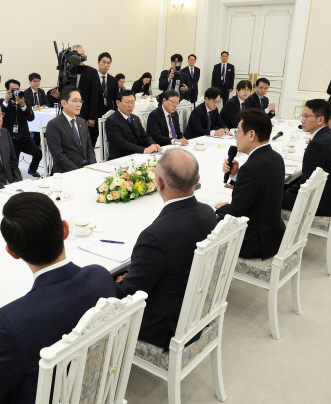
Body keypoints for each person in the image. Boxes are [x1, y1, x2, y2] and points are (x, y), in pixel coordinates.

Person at [0, 192, 116, 404]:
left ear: (12, 252)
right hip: (92, 388)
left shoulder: (10, 322)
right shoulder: (101, 276)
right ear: (65, 229)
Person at [115, 148, 216, 351]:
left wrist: (119, 283)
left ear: (159, 183)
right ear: (197, 180)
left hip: (167, 325)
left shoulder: (154, 236)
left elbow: (128, 295)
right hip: (197, 307)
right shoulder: (209, 213)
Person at [215, 109, 285, 259]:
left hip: (254, 242)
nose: (236, 137)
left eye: (238, 131)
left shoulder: (251, 168)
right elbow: (259, 191)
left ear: (251, 135)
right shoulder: (276, 158)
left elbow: (235, 213)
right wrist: (236, 175)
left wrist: (221, 209)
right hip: (273, 235)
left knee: (203, 225)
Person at [282, 100, 331, 217]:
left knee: (268, 195)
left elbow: (307, 179)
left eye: (306, 116)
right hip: (329, 196)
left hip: (316, 203)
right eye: (302, 116)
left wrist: (290, 189)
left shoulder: (317, 144)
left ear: (320, 120)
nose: (302, 120)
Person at [45, 86, 96, 173]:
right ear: (64, 103)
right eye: (75, 101)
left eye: (80, 101)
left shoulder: (82, 122)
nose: (79, 104)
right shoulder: (54, 125)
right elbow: (58, 156)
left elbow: (89, 148)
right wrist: (78, 172)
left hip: (86, 169)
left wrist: (92, 167)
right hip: (67, 172)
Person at [1, 79, 42, 178]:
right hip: (11, 139)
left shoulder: (25, 101)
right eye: (13, 89)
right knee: (14, 163)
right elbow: (0, 117)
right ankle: (15, 173)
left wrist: (23, 105)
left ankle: (32, 169)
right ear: (7, 90)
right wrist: (6, 101)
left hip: (24, 137)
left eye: (17, 89)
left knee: (38, 153)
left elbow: (31, 118)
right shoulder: (2, 102)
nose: (16, 91)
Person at [106, 90, 161, 159]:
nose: (130, 105)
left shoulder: (135, 118)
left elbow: (144, 135)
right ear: (118, 103)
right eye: (127, 102)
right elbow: (121, 143)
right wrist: (144, 150)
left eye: (132, 102)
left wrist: (153, 144)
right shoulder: (112, 121)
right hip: (122, 157)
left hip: (138, 155)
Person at [67, 45, 100, 131]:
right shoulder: (67, 71)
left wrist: (92, 117)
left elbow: (94, 96)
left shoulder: (92, 72)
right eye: (75, 55)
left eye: (80, 55)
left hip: (85, 113)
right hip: (69, 112)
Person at [91, 52, 119, 148]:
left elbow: (116, 100)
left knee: (110, 141)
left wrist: (116, 116)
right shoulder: (92, 78)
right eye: (103, 62)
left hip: (108, 114)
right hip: (94, 114)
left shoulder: (113, 80)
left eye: (108, 63)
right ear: (98, 62)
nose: (106, 65)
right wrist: (90, 117)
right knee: (92, 140)